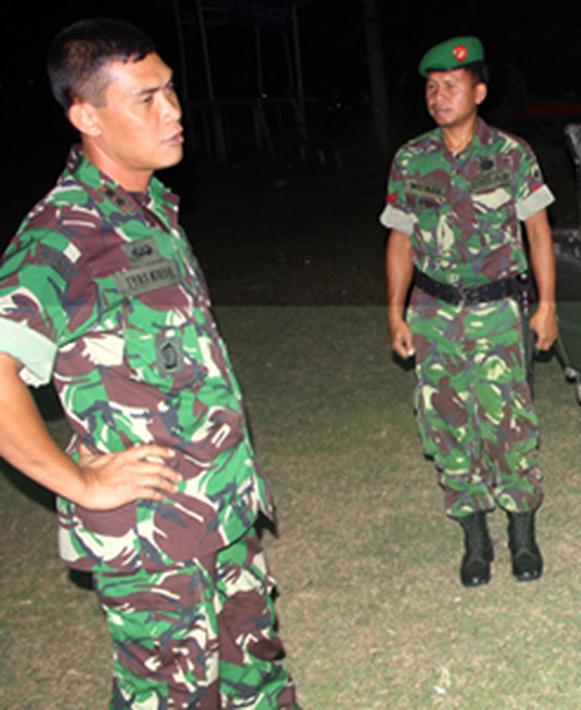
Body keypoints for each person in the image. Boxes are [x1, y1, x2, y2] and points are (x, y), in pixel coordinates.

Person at [0, 19, 296, 707]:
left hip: (223, 510)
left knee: (257, 681)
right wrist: (77, 480)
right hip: (154, 543)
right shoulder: (59, 237)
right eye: (147, 99)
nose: (174, 112)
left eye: (171, 92)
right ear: (87, 116)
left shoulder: (152, 210)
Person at [382, 35, 557, 587]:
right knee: (448, 423)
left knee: (509, 422)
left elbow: (538, 231)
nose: (439, 97)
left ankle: (522, 535)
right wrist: (395, 313)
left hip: (499, 309)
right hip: (433, 310)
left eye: (450, 86)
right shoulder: (412, 159)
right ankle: (474, 539)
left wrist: (547, 305)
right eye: (431, 88)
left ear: (478, 92)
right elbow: (399, 241)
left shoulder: (511, 154)